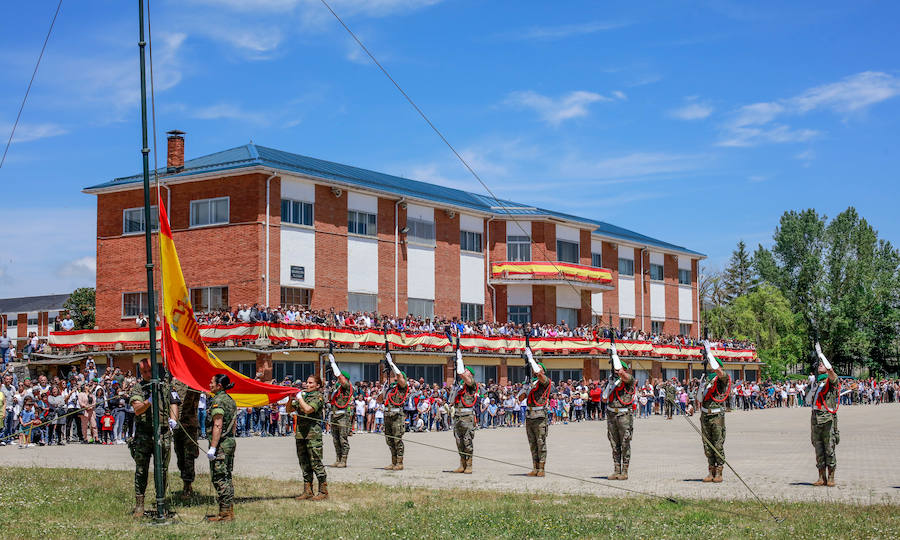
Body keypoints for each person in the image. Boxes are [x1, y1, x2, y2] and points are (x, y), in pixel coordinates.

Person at [128, 359, 178, 518]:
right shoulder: (138, 388)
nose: (148, 374)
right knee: (141, 470)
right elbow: (137, 409)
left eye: (150, 370)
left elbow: (174, 401)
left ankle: (161, 503)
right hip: (144, 434)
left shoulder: (165, 386)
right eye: (144, 372)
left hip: (162, 432)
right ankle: (139, 505)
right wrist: (149, 401)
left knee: (162, 470)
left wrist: (173, 420)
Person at [288, 374, 328, 501]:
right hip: (301, 434)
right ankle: (308, 491)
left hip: (313, 435)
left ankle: (323, 491)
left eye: (311, 383)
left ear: (317, 385)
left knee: (316, 463)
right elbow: (289, 409)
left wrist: (299, 397)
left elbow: (307, 409)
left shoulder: (318, 397)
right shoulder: (304, 396)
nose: (307, 384)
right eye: (307, 382)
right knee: (304, 463)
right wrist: (290, 398)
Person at [697, 341, 731, 483]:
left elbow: (718, 371)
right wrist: (701, 386)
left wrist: (709, 353)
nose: (711, 368)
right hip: (705, 414)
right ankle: (711, 471)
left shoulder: (722, 378)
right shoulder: (706, 380)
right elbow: (699, 398)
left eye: (712, 365)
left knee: (717, 444)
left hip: (716, 415)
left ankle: (719, 472)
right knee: (707, 445)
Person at [205, 373, 238, 522]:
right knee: (227, 476)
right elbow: (234, 424)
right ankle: (228, 510)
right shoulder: (230, 400)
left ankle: (225, 514)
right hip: (229, 442)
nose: (209, 384)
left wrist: (213, 447)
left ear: (219, 386)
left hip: (221, 444)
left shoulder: (218, 401)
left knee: (219, 478)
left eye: (212, 382)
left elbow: (217, 424)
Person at [517, 345, 551, 477]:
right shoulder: (532, 384)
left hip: (540, 416)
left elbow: (539, 374)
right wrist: (524, 388)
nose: (534, 369)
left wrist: (531, 359)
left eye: (538, 367)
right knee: (532, 443)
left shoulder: (545, 381)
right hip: (530, 415)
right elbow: (520, 399)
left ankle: (541, 468)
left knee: (541, 442)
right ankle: (535, 468)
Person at [809, 342, 839, 487]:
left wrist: (821, 355)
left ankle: (831, 477)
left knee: (829, 449)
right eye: (819, 364)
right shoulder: (817, 383)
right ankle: (821, 477)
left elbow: (831, 371)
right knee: (818, 449)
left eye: (822, 364)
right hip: (815, 419)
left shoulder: (831, 381)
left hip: (827, 420)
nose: (820, 365)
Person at [603, 342, 635, 480]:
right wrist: (610, 385)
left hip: (624, 415)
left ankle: (625, 471)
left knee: (625, 443)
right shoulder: (611, 382)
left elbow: (624, 375)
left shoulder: (629, 380)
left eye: (617, 369)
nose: (615, 372)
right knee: (614, 443)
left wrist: (615, 356)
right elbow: (604, 398)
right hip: (612, 414)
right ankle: (616, 470)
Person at [449, 348, 478, 474]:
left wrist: (459, 360)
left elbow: (464, 376)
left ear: (470, 374)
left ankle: (469, 465)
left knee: (467, 441)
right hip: (457, 416)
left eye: (466, 371)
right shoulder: (459, 388)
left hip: (467, 417)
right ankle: (462, 464)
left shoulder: (471, 385)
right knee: (459, 441)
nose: (464, 372)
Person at [172, 377, 200, 497]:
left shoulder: (193, 381)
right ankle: (185, 480)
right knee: (179, 455)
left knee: (189, 455)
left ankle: (188, 484)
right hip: (177, 425)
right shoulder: (174, 382)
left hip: (189, 425)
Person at [381, 351, 408, 470]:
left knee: (397, 440)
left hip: (397, 416)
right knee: (389, 440)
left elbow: (400, 377)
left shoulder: (403, 387)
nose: (396, 378)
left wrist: (391, 363)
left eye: (398, 377)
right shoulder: (390, 388)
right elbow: (379, 400)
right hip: (387, 415)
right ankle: (393, 461)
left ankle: (400, 462)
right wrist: (383, 390)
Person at [327, 352, 353, 468]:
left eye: (341, 377)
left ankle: (344, 460)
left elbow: (342, 380)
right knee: (335, 439)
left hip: (342, 417)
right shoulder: (336, 388)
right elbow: (330, 399)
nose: (338, 378)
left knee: (343, 439)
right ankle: (338, 459)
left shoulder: (347, 387)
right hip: (334, 416)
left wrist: (333, 364)